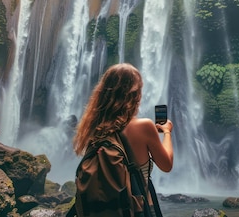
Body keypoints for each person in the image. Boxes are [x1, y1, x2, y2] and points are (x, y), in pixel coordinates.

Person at [72, 63, 174, 207]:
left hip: (102, 210)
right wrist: (167, 132)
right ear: (135, 94)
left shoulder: (94, 127)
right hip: (137, 209)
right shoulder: (144, 126)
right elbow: (166, 165)